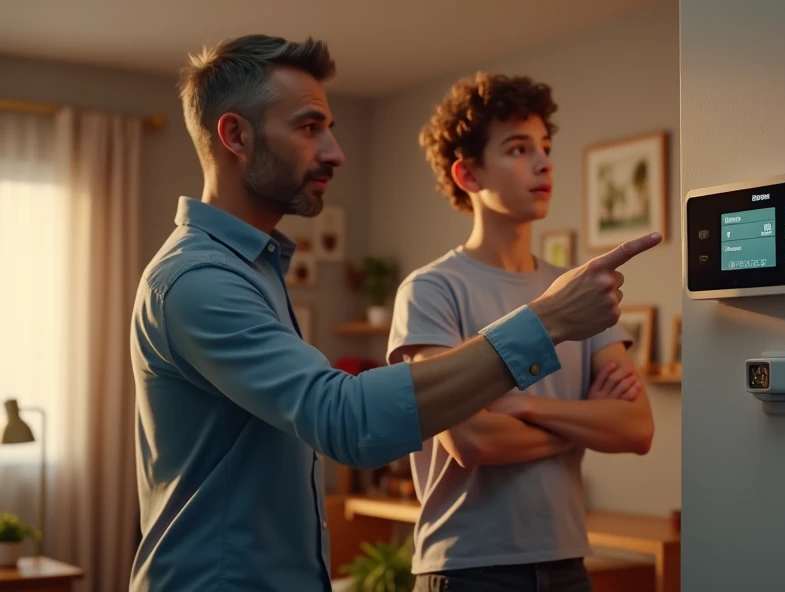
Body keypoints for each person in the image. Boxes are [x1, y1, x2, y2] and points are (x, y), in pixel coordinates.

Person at [127, 34, 660, 592]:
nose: (335, 152)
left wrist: (525, 407)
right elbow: (347, 420)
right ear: (236, 134)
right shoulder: (200, 280)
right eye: (310, 128)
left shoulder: (254, 266)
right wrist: (547, 324)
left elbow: (633, 427)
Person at [386, 72, 656, 592]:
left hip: (568, 563)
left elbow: (636, 429)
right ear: (468, 175)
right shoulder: (430, 290)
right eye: (517, 148)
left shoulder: (578, 290)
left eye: (545, 147)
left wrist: (527, 407)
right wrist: (584, 420)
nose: (543, 162)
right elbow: (471, 438)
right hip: (466, 569)